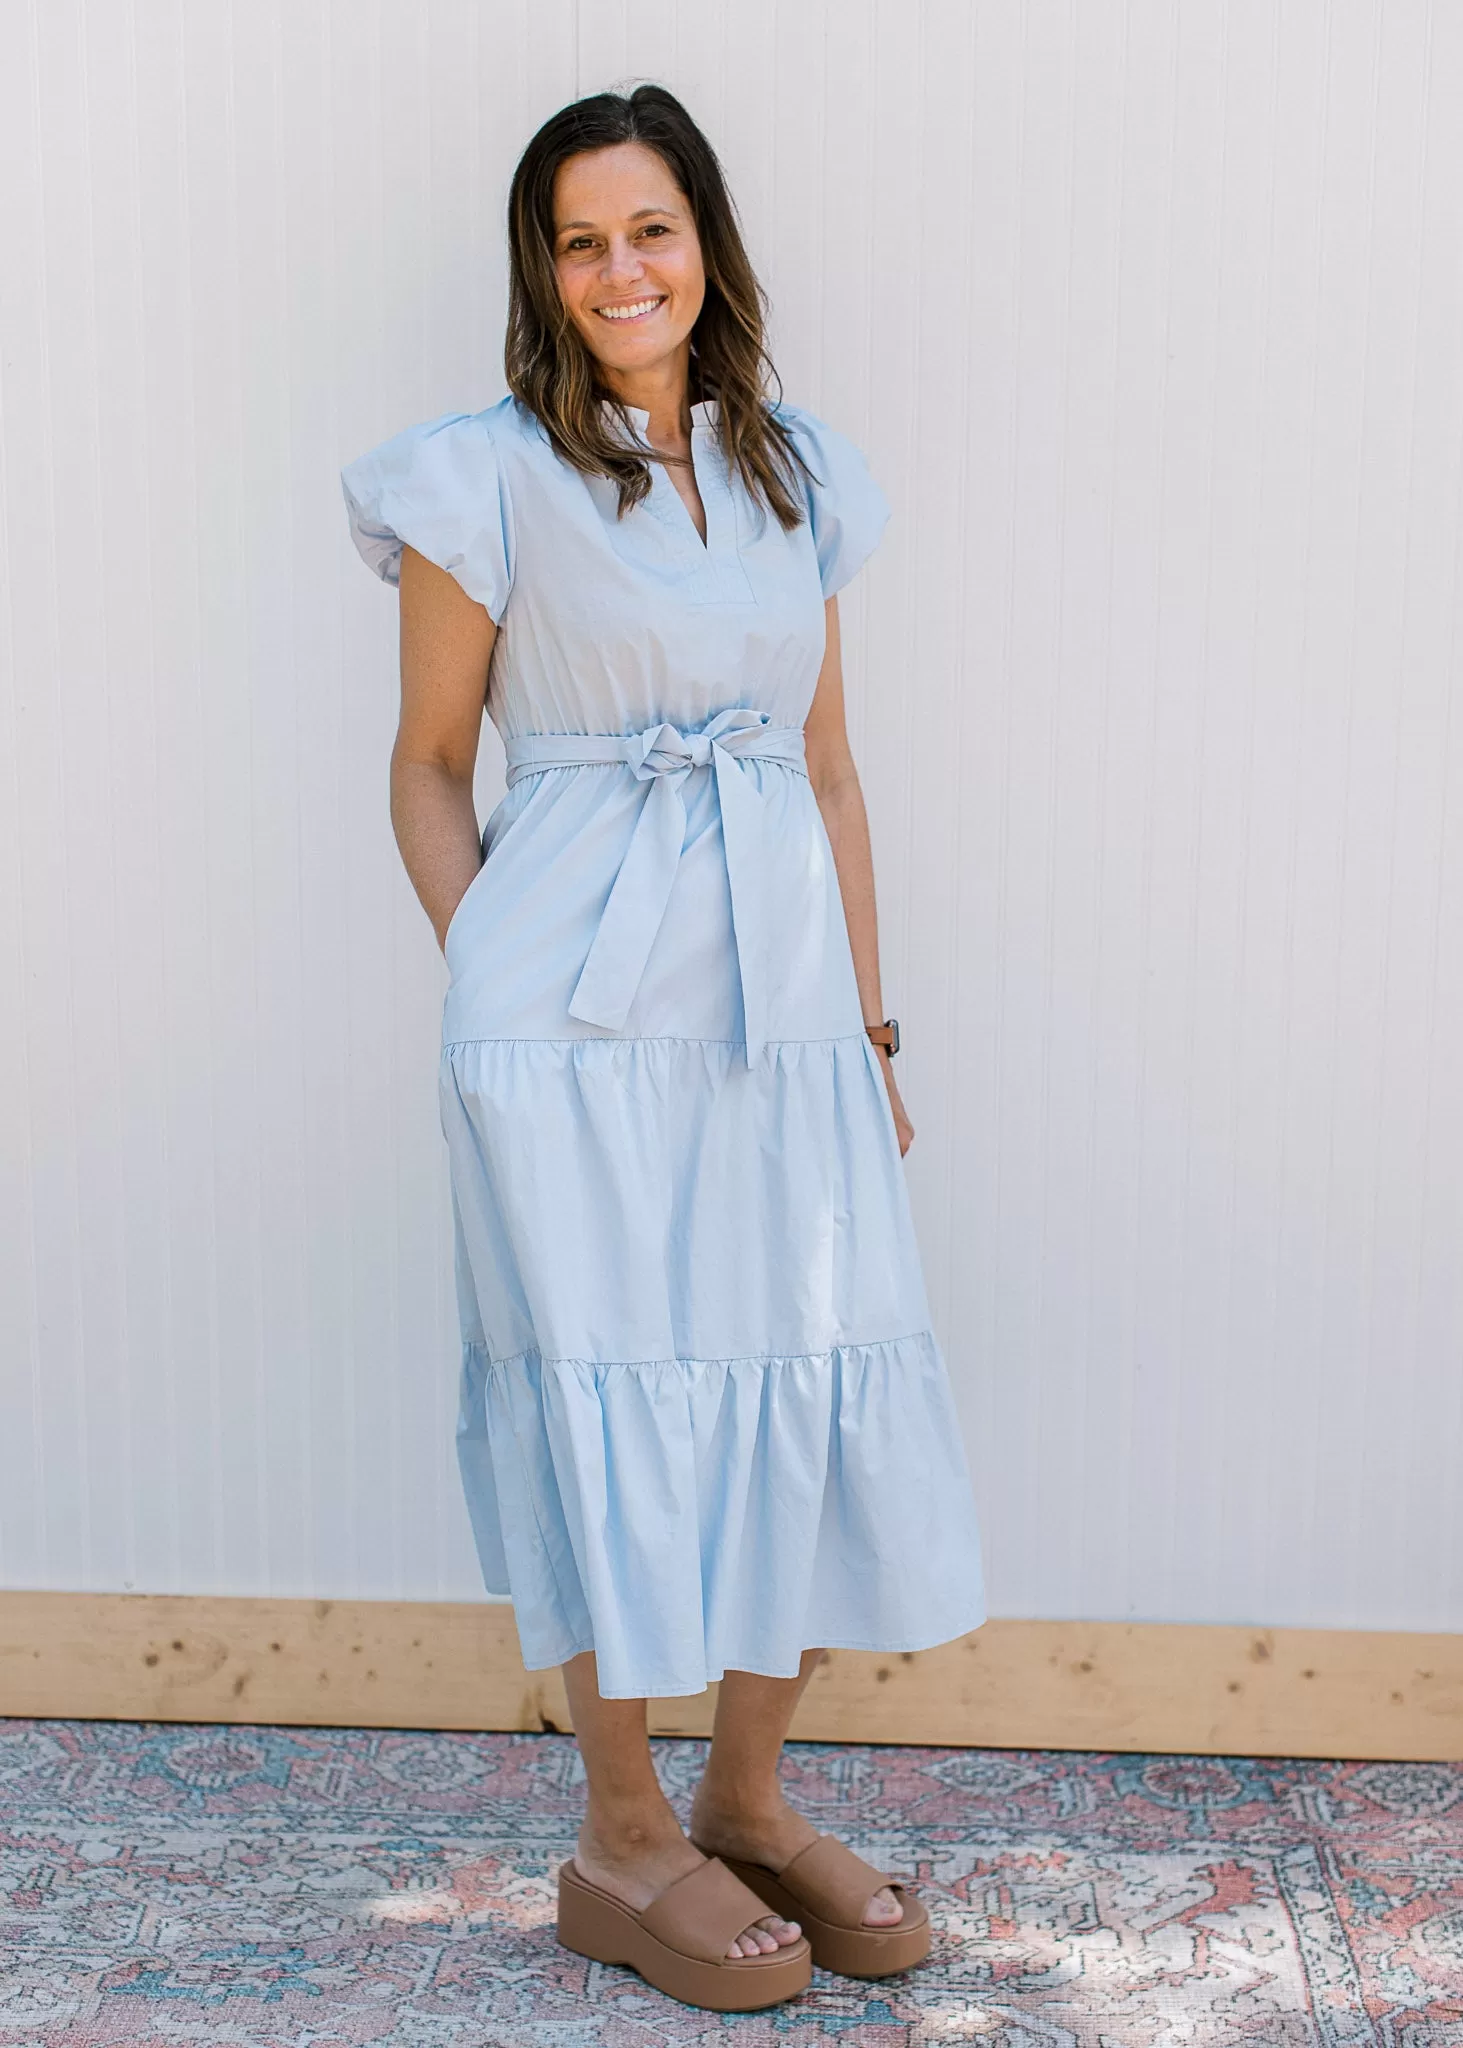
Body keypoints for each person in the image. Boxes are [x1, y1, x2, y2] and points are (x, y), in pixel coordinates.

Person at [341, 83, 985, 2014]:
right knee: (609, 1388)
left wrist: (862, 1033)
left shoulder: (798, 478)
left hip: (775, 1016)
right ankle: (620, 1838)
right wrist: (496, 998)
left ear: (706, 241)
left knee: (802, 1363)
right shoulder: (482, 481)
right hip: (571, 1032)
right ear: (542, 273)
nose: (621, 270)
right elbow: (431, 768)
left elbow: (827, 767)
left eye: (651, 228)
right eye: (579, 238)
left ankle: (748, 1797)